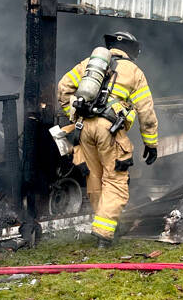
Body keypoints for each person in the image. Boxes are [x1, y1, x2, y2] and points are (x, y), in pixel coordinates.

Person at [57, 31, 159, 247]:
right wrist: (151, 143)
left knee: (95, 178)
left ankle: (105, 223)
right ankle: (104, 234)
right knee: (115, 180)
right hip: (110, 131)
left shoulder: (88, 64)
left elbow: (63, 89)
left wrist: (73, 115)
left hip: (84, 128)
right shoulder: (134, 71)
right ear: (132, 50)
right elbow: (146, 112)